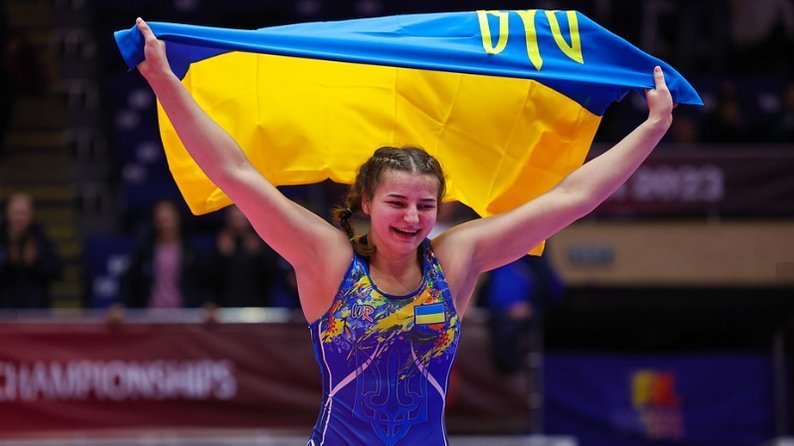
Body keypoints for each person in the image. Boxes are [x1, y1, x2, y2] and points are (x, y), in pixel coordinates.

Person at [133, 17, 674, 445]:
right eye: (397, 203)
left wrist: (652, 128)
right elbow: (236, 173)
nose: (412, 217)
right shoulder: (328, 260)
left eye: (425, 205)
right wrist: (164, 81)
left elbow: (569, 199)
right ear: (367, 202)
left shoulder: (457, 259)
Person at [117, 198, 208, 310]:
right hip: (151, 315)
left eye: (169, 219)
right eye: (161, 220)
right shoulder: (144, 251)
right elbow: (128, 282)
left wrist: (207, 304)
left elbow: (204, 283)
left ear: (178, 219)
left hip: (183, 315)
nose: (166, 225)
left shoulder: (192, 251)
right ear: (155, 222)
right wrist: (120, 305)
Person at [0, 192, 63, 309]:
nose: (19, 218)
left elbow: (58, 271)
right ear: (6, 213)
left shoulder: (41, 239)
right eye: (16, 213)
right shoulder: (2, 239)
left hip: (35, 310)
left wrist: (36, 262)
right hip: (4, 311)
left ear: (32, 215)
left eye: (23, 213)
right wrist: (7, 262)